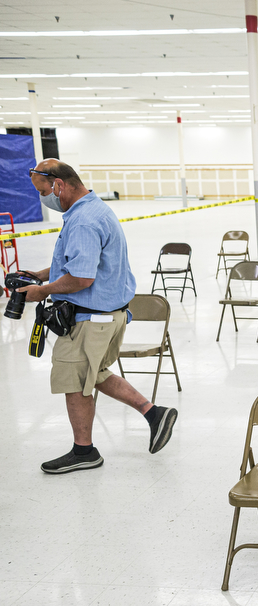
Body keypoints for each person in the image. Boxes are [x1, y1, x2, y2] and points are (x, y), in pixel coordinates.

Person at [24, 160, 179, 473]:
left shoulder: (82, 221)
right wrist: (43, 275)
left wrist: (41, 292)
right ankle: (153, 413)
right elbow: (84, 262)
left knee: (75, 380)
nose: (45, 200)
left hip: (89, 320)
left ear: (59, 185)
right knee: (94, 374)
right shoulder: (94, 208)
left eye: (44, 192)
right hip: (109, 316)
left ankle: (84, 451)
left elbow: (81, 279)